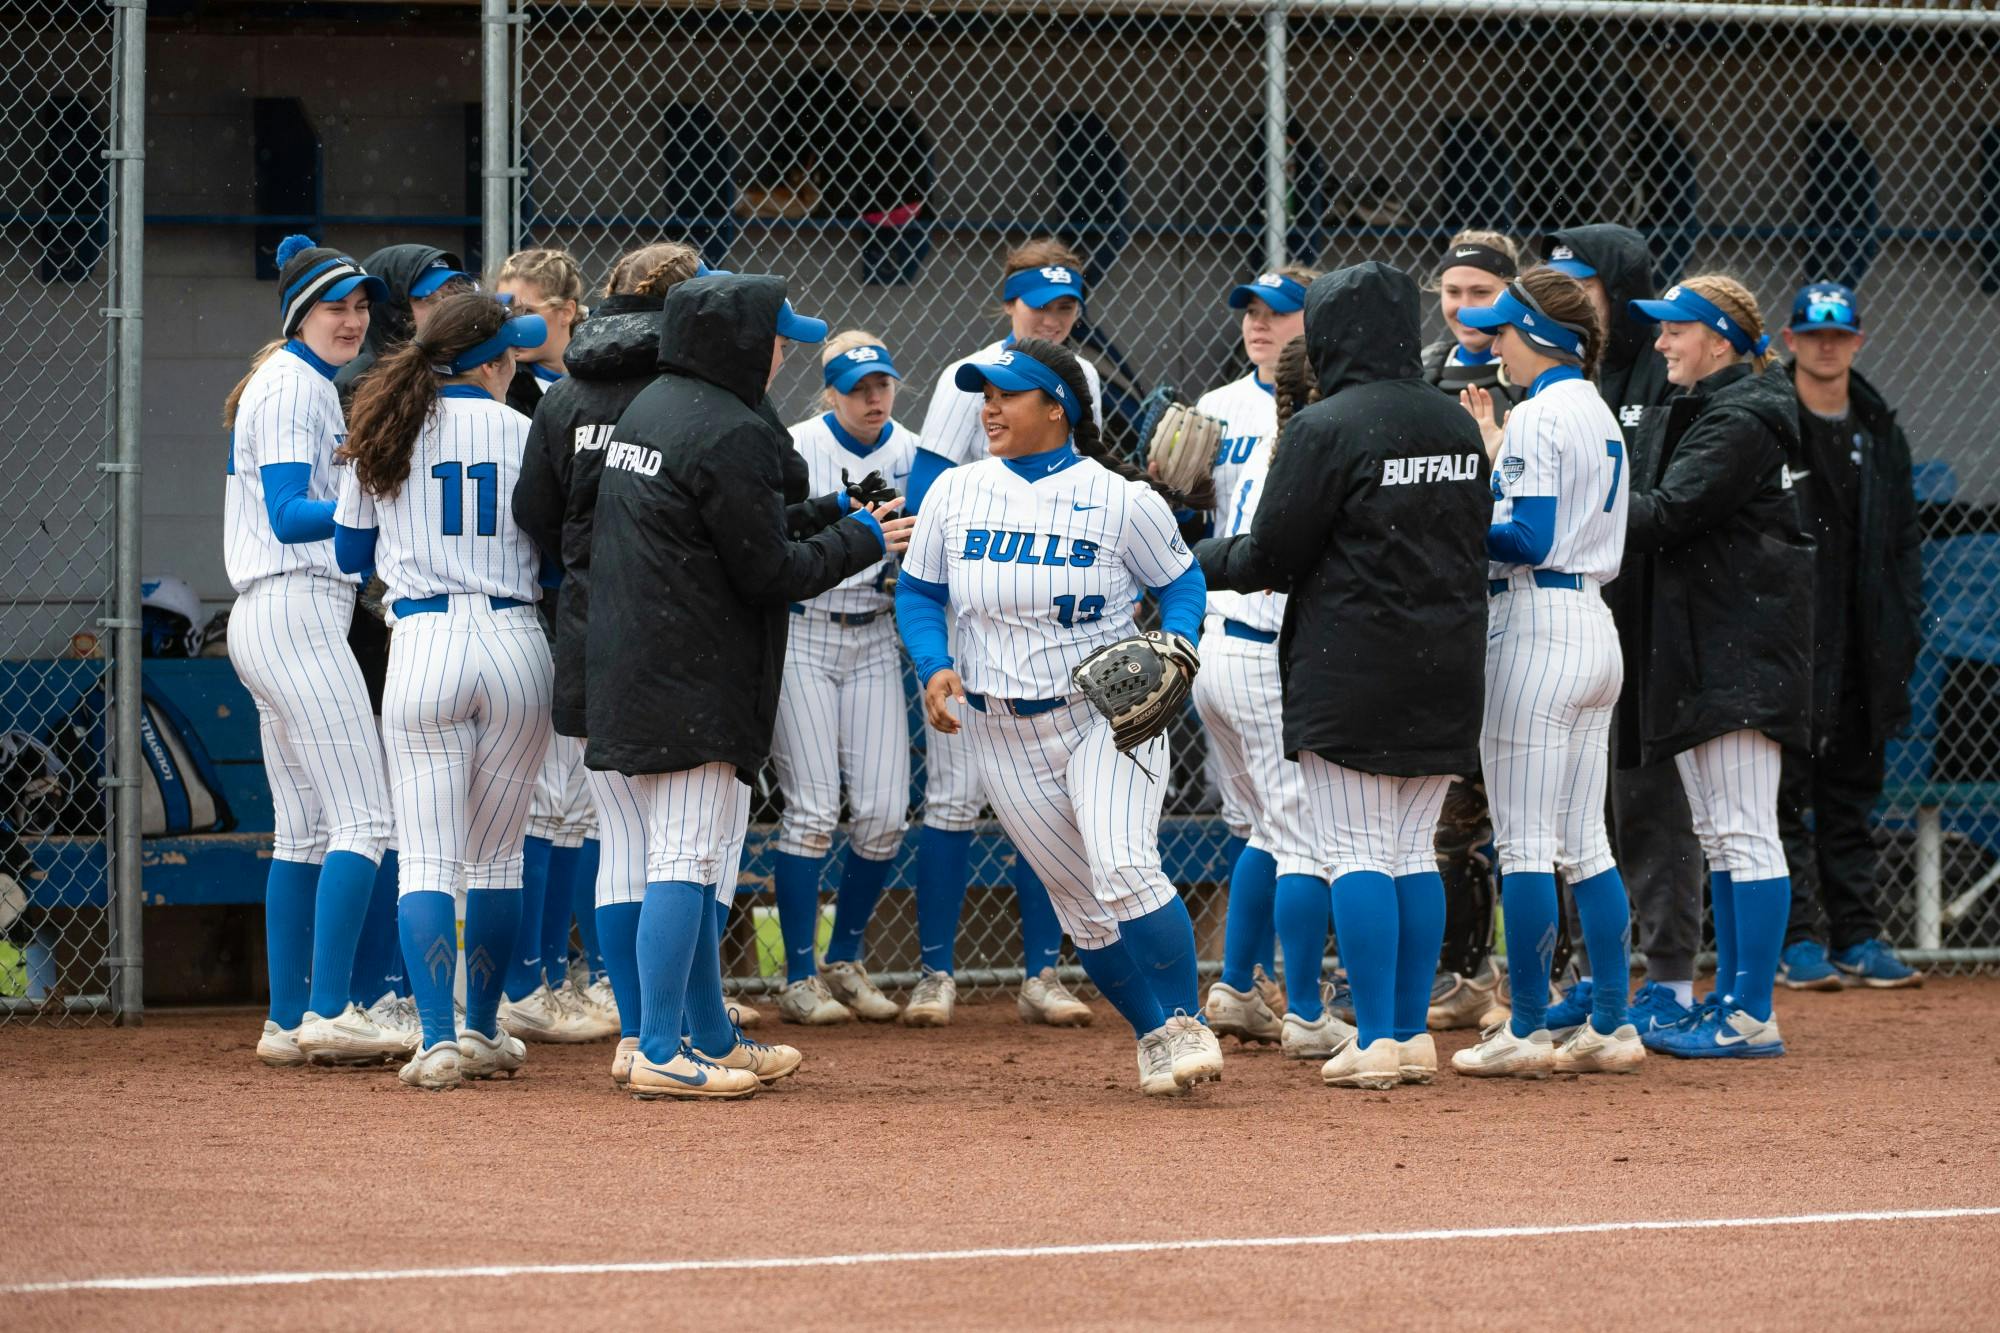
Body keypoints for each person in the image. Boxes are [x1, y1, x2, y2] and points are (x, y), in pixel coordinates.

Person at [584, 271, 912, 1100]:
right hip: (695, 676)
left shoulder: (656, 404)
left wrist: (838, 512)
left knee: (680, 857)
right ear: (734, 341)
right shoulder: (732, 428)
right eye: (773, 336)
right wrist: (863, 539)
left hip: (639, 659)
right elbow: (768, 570)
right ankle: (661, 1044)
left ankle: (709, 1035)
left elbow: (731, 525)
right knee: (687, 858)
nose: (780, 352)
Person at [895, 338, 1223, 1097]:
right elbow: (919, 592)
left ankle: (1186, 1020)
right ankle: (1152, 1033)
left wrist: (1177, 641)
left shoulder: (1120, 498)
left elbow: (1182, 581)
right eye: (984, 395)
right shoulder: (955, 491)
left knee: (1124, 866)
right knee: (1081, 904)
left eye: (1006, 394)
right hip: (998, 726)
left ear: (1057, 408)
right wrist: (933, 664)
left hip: (1105, 714)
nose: (990, 408)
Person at [1197, 261, 1491, 1091]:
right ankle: (1408, 1035)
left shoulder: (1327, 424)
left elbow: (1270, 556)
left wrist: (1186, 561)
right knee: (1409, 852)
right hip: (1448, 658)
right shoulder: (1457, 423)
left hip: (1352, 659)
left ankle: (1380, 1039)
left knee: (1357, 848)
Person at [331, 291, 555, 1090]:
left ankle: (437, 1039)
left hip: (423, 640)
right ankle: (485, 1026)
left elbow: (352, 553)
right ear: (491, 362)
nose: (513, 366)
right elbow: (557, 555)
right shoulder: (529, 429)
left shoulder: (387, 425)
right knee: (496, 858)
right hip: (516, 640)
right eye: (510, 355)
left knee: (426, 854)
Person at [900, 238, 1105, 1029]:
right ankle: (936, 971)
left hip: (1055, 616)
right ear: (1008, 304)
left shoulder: (1075, 376)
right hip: (973, 601)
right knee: (955, 797)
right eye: (1038, 305)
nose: (1052, 319)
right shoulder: (977, 373)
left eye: (1065, 307)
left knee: (1048, 800)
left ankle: (1042, 972)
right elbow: (926, 489)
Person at [1446, 266, 1644, 1078]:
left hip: (1537, 623)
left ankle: (1526, 1027)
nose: (1497, 343)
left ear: (1543, 338)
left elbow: (1525, 538)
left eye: (1507, 331)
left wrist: (1453, 515)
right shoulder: (1594, 409)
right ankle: (1612, 1023)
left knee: (1527, 843)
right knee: (1585, 843)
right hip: (1594, 622)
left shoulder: (1535, 415)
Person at [1623, 275, 1814, 1059]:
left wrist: (1571, 500)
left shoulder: (1741, 416)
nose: (1663, 343)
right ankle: (1732, 998)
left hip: (1742, 650)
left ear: (1722, 341)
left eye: (1678, 330)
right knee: (1720, 830)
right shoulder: (1716, 408)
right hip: (1715, 645)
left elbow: (1666, 513)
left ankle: (1751, 1012)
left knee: (1743, 831)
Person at [222, 234, 398, 1069]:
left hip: (274, 613)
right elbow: (293, 512)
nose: (354, 320)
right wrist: (374, 495)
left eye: (362, 306)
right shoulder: (294, 385)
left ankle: (288, 1018)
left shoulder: (297, 381)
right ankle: (332, 1009)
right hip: (294, 606)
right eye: (337, 306)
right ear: (301, 314)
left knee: (304, 829)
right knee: (365, 816)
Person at [1542, 225, 1704, 1036]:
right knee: (1579, 810)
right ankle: (1593, 974)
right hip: (1576, 618)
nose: (1574, 301)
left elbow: (1671, 507)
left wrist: (1582, 519)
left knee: (1650, 800)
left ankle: (1670, 978)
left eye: (1589, 286)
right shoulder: (1567, 375)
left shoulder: (1660, 373)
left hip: (1649, 619)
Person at [334, 242, 479, 1053]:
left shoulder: (491, 387)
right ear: (401, 308)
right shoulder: (368, 391)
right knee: (386, 817)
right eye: (427, 296)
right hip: (378, 624)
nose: (444, 304)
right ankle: (374, 990)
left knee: (433, 824)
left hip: (426, 626)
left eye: (455, 289)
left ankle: (415, 992)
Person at [767, 331, 920, 1025]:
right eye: (858, 387)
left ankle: (845, 955)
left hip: (873, 631)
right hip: (804, 628)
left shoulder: (911, 450)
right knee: (812, 810)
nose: (873, 398)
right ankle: (798, 972)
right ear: (829, 390)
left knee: (886, 811)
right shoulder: (795, 443)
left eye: (881, 384)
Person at [1774, 282, 1922, 991]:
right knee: (1782, 794)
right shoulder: (1770, 419)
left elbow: (1903, 543)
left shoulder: (1878, 427)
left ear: (1857, 341)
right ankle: (1797, 939)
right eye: (1812, 334)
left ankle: (1858, 935)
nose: (1825, 346)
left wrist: (1902, 626)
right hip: (1792, 638)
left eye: (1838, 335)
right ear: (1789, 339)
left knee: (1851, 793)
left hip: (1863, 639)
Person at [1190, 269, 1320, 1054]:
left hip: (1234, 642)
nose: (1259, 325)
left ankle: (1239, 986)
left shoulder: (1311, 410)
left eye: (1277, 313)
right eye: (1251, 312)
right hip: (1249, 633)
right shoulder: (1217, 407)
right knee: (1297, 827)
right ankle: (1303, 1004)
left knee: (1265, 830)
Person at [489, 246, 598, 1037]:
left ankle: (561, 975)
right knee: (540, 799)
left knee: (575, 803)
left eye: (520, 299)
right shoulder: (505, 383)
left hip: (581, 603)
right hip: (530, 600)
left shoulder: (591, 380)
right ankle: (523, 975)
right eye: (498, 297)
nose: (506, 312)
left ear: (563, 310)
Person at [1418, 230, 1525, 1031]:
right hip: (1446, 611)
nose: (1463, 308)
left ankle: (1532, 978)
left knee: (1520, 813)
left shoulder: (1533, 375)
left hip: (1517, 603)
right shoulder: (1425, 368)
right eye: (1452, 293)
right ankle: (1461, 974)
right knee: (1449, 811)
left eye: (1479, 293)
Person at [495, 248, 586, 416]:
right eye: (505, 311)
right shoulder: (497, 381)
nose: (513, 324)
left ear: (567, 312)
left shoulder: (598, 374)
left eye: (527, 312)